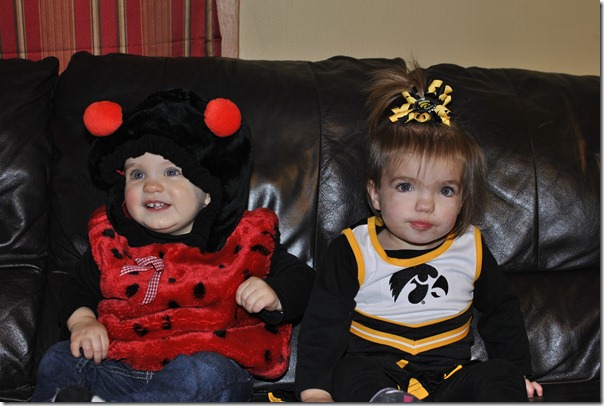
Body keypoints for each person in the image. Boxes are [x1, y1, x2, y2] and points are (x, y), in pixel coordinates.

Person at [32, 88, 315, 402]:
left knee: (203, 373)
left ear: (208, 191)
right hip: (121, 368)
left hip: (207, 367)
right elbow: (76, 289)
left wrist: (275, 295)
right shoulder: (113, 243)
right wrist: (83, 321)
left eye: (171, 172)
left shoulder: (242, 240)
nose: (152, 185)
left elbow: (304, 280)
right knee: (60, 358)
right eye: (137, 174)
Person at [294, 63, 543, 402]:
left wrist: (518, 373)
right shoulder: (353, 250)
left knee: (498, 375)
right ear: (375, 194)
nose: (426, 204)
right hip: (376, 374)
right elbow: (323, 325)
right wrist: (315, 391)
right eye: (406, 186)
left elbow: (502, 313)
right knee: (349, 371)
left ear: (462, 199)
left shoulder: (470, 246)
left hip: (450, 379)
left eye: (445, 190)